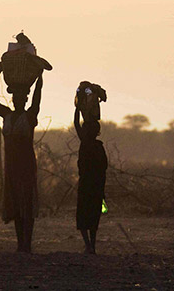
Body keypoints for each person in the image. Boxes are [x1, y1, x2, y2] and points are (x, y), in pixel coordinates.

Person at [0, 62, 42, 253]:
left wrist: (40, 77)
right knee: (17, 205)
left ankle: (27, 244)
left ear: (25, 99)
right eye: (16, 97)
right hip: (11, 166)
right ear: (12, 98)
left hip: (25, 165)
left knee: (27, 203)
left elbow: (38, 97)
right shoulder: (6, 115)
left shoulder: (30, 116)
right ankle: (21, 244)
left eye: (22, 97)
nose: (18, 100)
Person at [74, 100, 107, 253]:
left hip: (87, 184)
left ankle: (88, 245)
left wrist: (77, 108)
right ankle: (91, 245)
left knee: (83, 215)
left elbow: (75, 123)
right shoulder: (98, 147)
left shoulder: (85, 143)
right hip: (96, 185)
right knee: (93, 215)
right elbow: (103, 169)